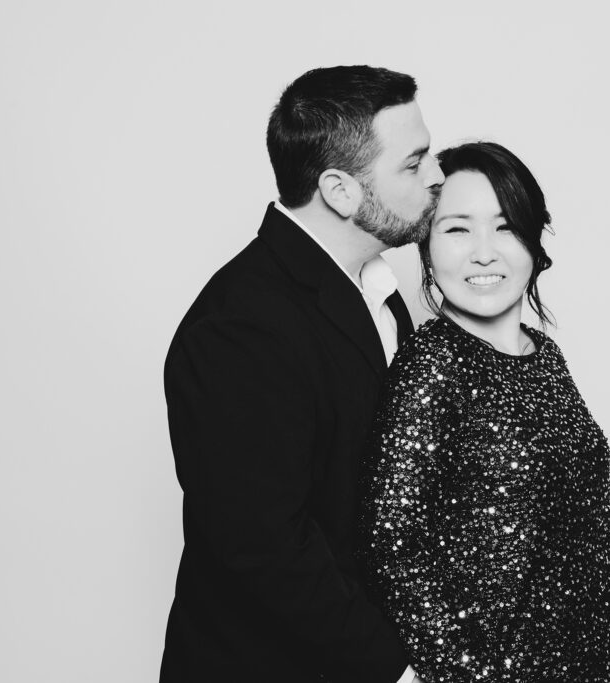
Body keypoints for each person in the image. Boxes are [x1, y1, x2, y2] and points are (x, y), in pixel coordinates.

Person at [160, 65, 443, 683]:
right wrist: (397, 671)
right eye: (414, 163)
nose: (437, 177)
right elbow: (265, 546)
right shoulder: (242, 326)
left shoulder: (380, 293)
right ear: (340, 191)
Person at [361, 142, 610, 681]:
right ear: (426, 245)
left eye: (505, 227)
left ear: (534, 241)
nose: (483, 252)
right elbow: (393, 543)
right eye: (458, 229)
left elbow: (593, 550)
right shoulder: (432, 365)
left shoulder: (545, 357)